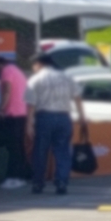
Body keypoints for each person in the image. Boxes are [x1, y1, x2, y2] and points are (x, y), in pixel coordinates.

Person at [23, 54, 86, 195]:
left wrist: (29, 124)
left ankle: (38, 183)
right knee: (63, 151)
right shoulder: (66, 77)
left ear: (38, 64)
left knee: (40, 151)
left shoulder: (35, 79)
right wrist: (82, 117)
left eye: (33, 66)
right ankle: (62, 182)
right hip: (64, 117)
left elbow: (31, 104)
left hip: (44, 117)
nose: (33, 69)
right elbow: (77, 97)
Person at [0, 57, 32, 190]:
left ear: (0, 64)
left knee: (13, 147)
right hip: (22, 113)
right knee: (18, 147)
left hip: (13, 113)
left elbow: (7, 92)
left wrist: (1, 110)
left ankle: (13, 178)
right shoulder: (17, 71)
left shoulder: (6, 71)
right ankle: (21, 176)